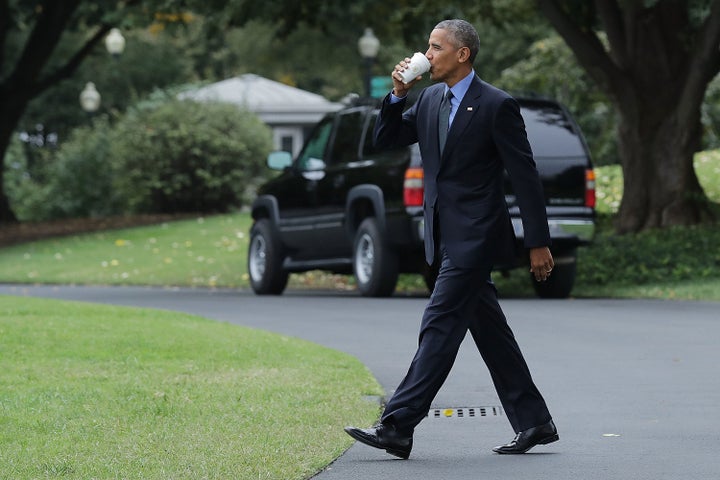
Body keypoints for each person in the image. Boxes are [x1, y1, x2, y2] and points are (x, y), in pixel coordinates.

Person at [344, 19, 558, 459]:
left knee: (439, 325)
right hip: (441, 234)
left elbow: (525, 177)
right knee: (490, 331)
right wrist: (398, 94)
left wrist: (537, 241)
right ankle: (535, 422)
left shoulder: (497, 105)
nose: (428, 54)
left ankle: (397, 425)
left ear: (463, 54)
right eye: (428, 47)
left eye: (436, 47)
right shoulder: (428, 100)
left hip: (476, 235)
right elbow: (384, 139)